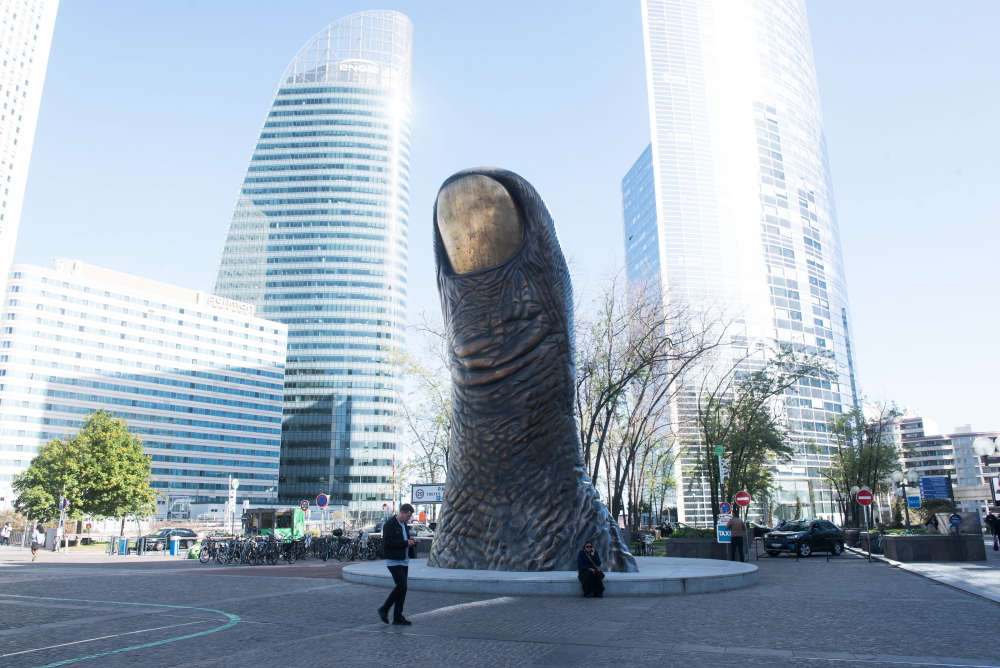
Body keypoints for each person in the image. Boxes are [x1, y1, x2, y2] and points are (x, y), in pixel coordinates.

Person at [377, 503, 417, 625]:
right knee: (401, 586)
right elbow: (388, 543)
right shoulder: (389, 525)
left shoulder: (404, 524)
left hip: (404, 560)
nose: (408, 518)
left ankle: (397, 617)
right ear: (402, 512)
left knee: (402, 589)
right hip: (394, 561)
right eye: (408, 516)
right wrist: (406, 543)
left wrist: (412, 542)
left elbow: (404, 539)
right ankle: (384, 608)